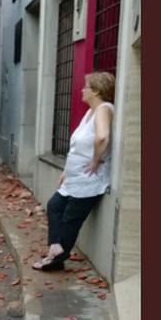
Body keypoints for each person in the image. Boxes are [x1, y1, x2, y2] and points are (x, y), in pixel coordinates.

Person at [33, 71, 115, 271]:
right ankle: (55, 249)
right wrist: (66, 171)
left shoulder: (104, 108)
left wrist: (96, 160)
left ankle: (56, 258)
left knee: (71, 218)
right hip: (74, 177)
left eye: (86, 86)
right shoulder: (90, 112)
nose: (82, 89)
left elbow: (102, 137)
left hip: (89, 179)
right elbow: (78, 148)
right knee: (54, 205)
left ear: (96, 91)